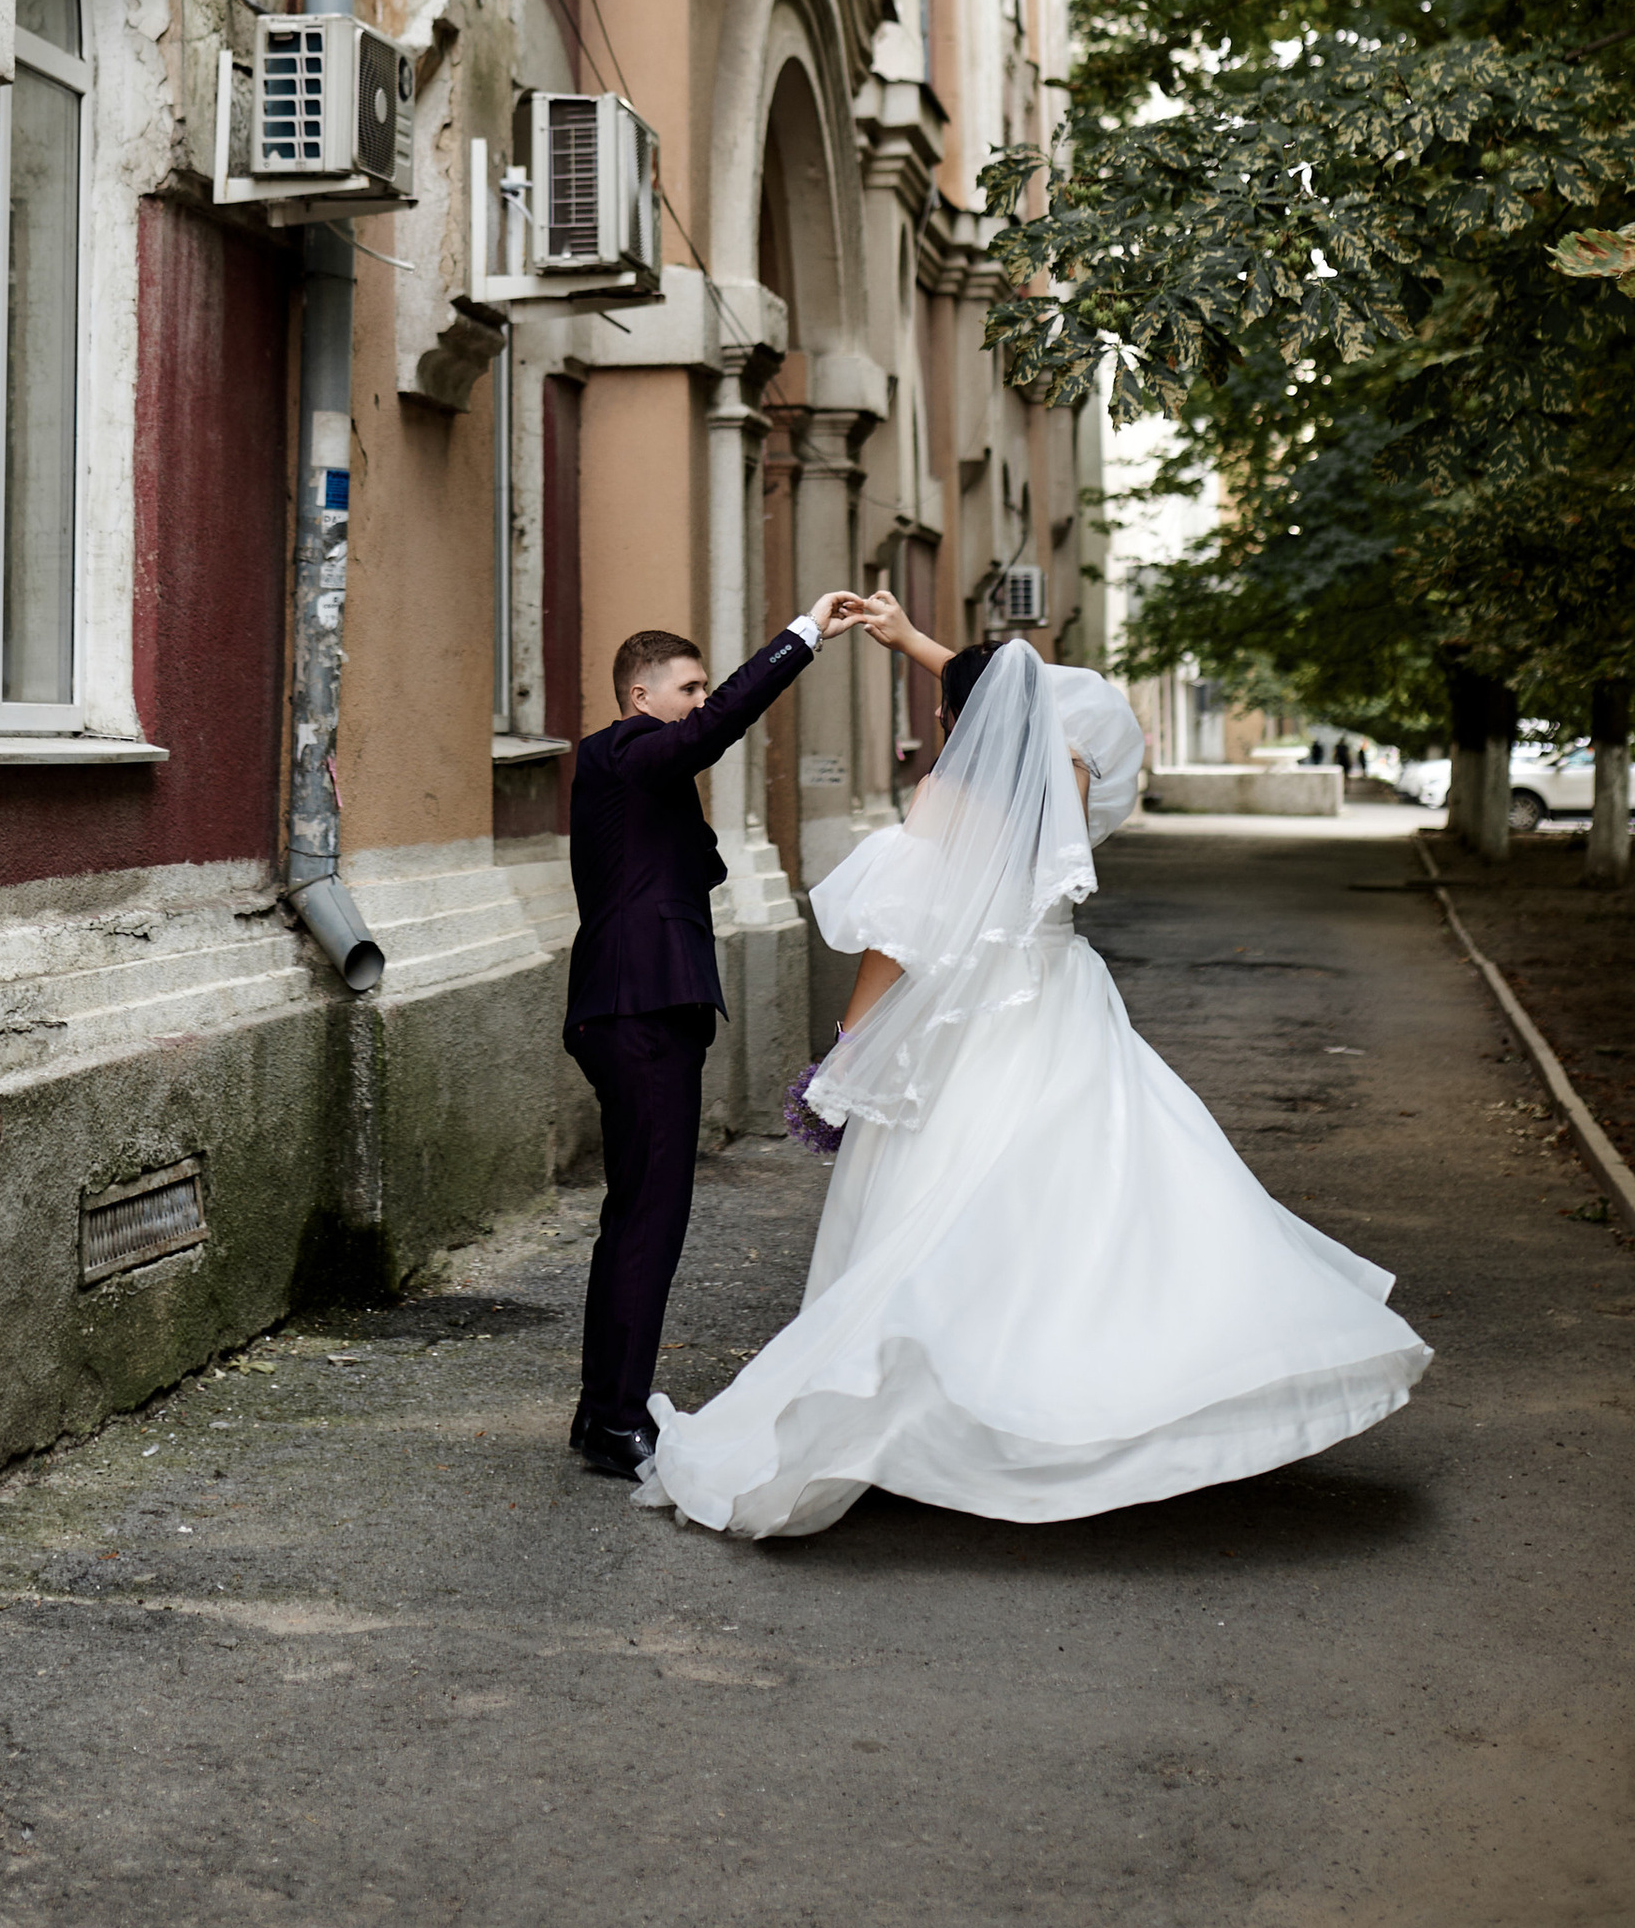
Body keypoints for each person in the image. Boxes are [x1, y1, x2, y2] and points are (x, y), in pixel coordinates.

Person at [646, 601, 1431, 1538]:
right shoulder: (1072, 769)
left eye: (950, 712)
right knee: (1099, 1204)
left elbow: (893, 943)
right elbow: (1033, 694)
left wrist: (848, 1057)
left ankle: (944, 1417)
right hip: (1063, 1004)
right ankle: (1105, 1402)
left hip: (969, 1027)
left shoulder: (946, 801)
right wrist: (923, 647)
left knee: (941, 1212)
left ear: (961, 727)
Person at [565, 594, 865, 1478]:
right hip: (639, 1014)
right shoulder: (624, 754)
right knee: (649, 1220)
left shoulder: (641, 774)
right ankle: (618, 1422)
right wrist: (801, 637)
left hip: (640, 1013)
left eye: (701, 687)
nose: (699, 701)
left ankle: (602, 1414)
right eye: (686, 688)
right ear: (639, 698)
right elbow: (716, 730)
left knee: (638, 1218)